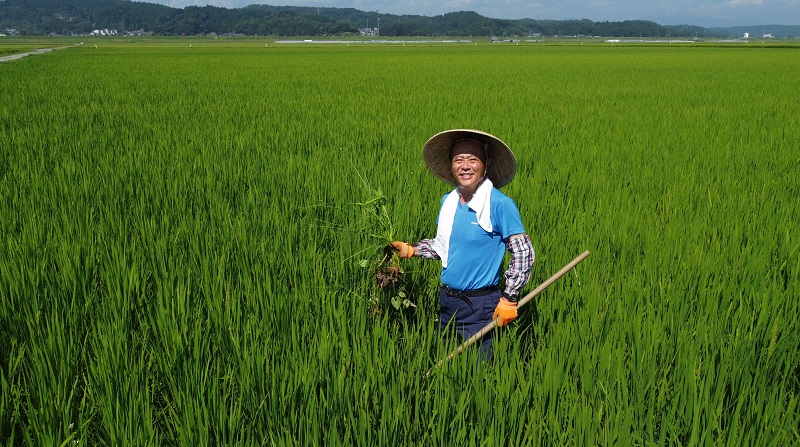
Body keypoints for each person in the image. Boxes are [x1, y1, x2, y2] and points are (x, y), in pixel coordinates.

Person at [390, 129, 535, 361]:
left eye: (472, 160)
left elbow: (523, 252)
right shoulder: (447, 202)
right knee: (447, 369)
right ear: (451, 165)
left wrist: (510, 298)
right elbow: (443, 246)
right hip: (447, 302)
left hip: (481, 307)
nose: (465, 166)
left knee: (479, 375)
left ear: (485, 164)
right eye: (459, 160)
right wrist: (413, 250)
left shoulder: (499, 204)